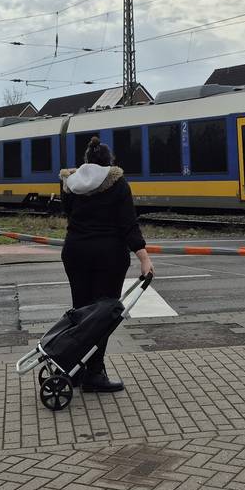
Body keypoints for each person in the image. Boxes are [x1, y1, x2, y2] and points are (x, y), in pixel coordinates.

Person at [59, 135, 154, 393]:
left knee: (80, 313)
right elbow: (128, 224)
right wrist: (144, 258)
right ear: (109, 162)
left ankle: (74, 368)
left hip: (75, 252)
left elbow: (68, 214)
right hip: (108, 256)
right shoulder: (118, 183)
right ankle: (95, 373)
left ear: (87, 161)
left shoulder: (69, 184)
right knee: (101, 317)